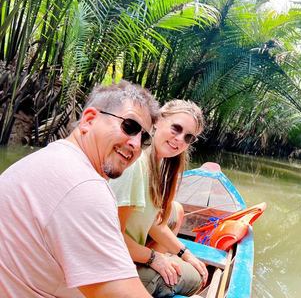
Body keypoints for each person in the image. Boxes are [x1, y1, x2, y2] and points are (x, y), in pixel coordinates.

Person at [0, 80, 160, 298]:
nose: (136, 144)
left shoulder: (48, 158)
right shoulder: (84, 187)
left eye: (145, 138)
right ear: (89, 120)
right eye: (129, 127)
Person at [108, 99, 208, 297]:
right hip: (113, 268)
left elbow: (153, 222)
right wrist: (154, 258)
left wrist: (185, 253)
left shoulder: (158, 165)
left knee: (175, 211)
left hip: (127, 259)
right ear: (157, 121)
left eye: (188, 137)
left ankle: (155, 274)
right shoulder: (136, 164)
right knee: (196, 278)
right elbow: (111, 239)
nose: (180, 139)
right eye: (176, 128)